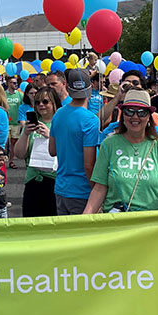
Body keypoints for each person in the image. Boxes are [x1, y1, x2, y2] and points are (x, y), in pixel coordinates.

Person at [84, 90, 158, 214]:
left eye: (142, 112)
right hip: (117, 222)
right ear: (123, 115)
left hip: (152, 223)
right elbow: (99, 188)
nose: (135, 117)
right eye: (129, 111)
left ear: (149, 116)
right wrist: (85, 218)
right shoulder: (109, 144)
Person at [48, 68, 100, 215]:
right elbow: (89, 165)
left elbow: (52, 151)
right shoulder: (91, 120)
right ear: (89, 89)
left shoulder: (58, 114)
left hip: (61, 188)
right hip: (82, 191)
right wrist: (97, 193)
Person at [14, 86, 60, 217]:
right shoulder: (33, 124)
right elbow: (20, 154)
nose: (41, 105)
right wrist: (25, 134)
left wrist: (49, 136)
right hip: (33, 180)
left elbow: (66, 151)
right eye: (38, 102)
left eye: (45, 101)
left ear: (54, 103)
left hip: (54, 181)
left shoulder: (60, 123)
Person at [5, 77, 23, 169]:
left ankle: (11, 161)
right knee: (5, 142)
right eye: (13, 83)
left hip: (16, 122)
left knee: (14, 143)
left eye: (16, 83)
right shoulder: (4, 94)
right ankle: (3, 160)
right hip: (6, 123)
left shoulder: (20, 95)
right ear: (8, 83)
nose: (15, 84)